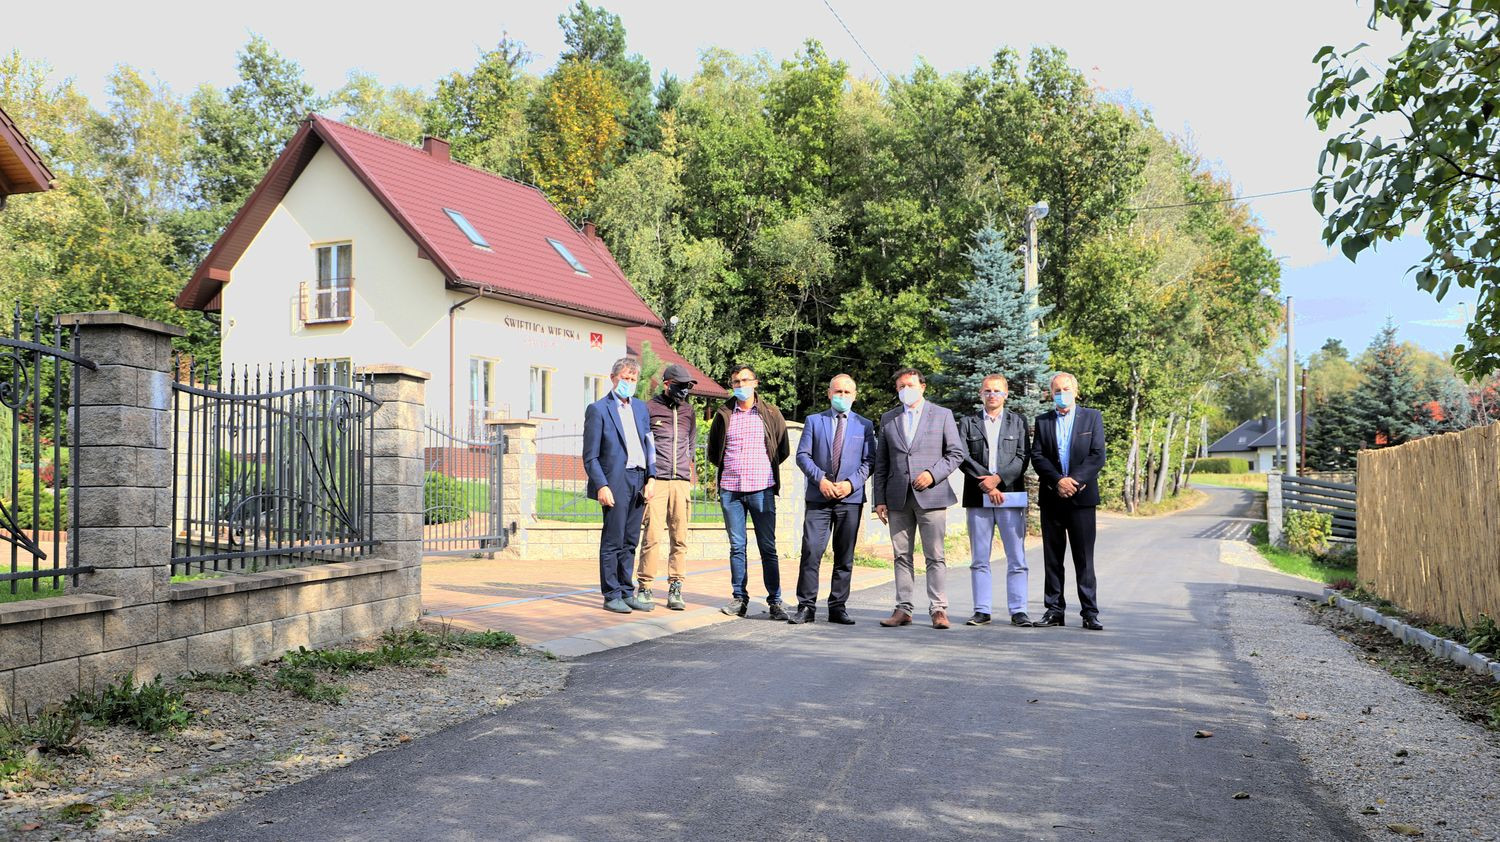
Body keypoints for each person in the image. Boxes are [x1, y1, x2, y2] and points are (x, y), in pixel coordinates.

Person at [872, 368, 966, 629]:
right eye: (901, 386)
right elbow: (882, 463)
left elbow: (956, 453)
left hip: (932, 496)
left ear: (922, 387)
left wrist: (933, 474)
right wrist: (879, 499)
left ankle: (938, 609)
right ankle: (903, 608)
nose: (906, 390)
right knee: (901, 555)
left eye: (910, 385)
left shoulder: (942, 415)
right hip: (897, 498)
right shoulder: (889, 418)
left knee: (935, 555)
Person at [789, 374, 876, 625]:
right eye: (838, 392)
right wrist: (821, 480)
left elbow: (870, 461)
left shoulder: (864, 425)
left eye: (847, 392)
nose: (842, 396)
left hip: (850, 499)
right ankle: (806, 606)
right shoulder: (814, 421)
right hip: (819, 497)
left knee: (844, 555)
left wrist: (850, 484)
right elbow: (803, 456)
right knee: (811, 551)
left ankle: (838, 607)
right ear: (829, 394)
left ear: (855, 396)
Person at [706, 364, 790, 620]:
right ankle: (739, 599)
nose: (740, 385)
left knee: (768, 547)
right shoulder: (724, 414)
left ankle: (775, 601)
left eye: (745, 380)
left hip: (762, 489)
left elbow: (782, 449)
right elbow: (714, 451)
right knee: (737, 547)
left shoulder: (771, 413)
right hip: (731, 490)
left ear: (755, 383)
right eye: (736, 382)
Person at [1030, 371, 1107, 630]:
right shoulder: (1043, 421)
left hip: (1082, 498)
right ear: (1050, 394)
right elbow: (1038, 456)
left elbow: (1097, 455)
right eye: (1057, 390)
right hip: (1052, 497)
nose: (1061, 394)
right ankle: (1054, 610)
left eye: (1066, 389)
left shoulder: (1092, 417)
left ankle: (1089, 612)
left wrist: (1074, 481)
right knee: (1053, 558)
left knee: (1084, 558)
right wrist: (1057, 481)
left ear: (1075, 391)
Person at [957, 374, 1033, 627]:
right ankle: (982, 610)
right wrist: (988, 484)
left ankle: (1019, 610)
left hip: (1009, 496)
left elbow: (1022, 457)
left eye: (997, 391)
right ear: (981, 394)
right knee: (980, 558)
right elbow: (962, 456)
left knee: (1017, 558)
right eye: (988, 391)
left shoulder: (1017, 421)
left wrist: (998, 480)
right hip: (978, 496)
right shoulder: (968, 422)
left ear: (1006, 394)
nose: (992, 395)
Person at [582, 357, 656, 614]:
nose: (629, 382)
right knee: (613, 540)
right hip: (615, 481)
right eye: (625, 378)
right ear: (613, 378)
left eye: (633, 379)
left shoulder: (641, 408)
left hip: (639, 479)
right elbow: (590, 456)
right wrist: (601, 485)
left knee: (630, 540)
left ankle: (626, 591)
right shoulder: (598, 409)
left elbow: (649, 445)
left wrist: (652, 477)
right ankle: (611, 594)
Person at [639, 363, 699, 611]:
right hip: (658, 481)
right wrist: (648, 477)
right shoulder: (649, 408)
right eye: (680, 385)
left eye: (687, 386)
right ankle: (645, 587)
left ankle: (676, 587)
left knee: (680, 538)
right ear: (667, 384)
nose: (684, 390)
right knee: (652, 536)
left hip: (681, 482)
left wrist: (686, 465)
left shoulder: (688, 411)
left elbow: (691, 443)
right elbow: (643, 444)